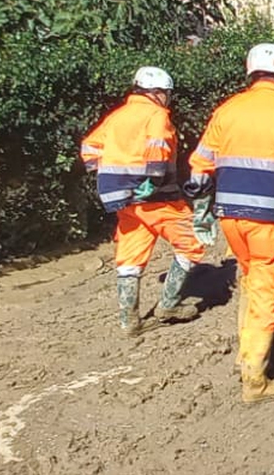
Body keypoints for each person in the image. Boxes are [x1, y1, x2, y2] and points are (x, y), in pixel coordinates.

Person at [186, 44, 274, 404]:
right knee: (268, 290)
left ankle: (245, 354)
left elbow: (200, 165)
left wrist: (202, 199)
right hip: (269, 218)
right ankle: (254, 379)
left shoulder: (227, 110)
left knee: (251, 279)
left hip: (230, 217)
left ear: (251, 74)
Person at [79, 66, 205, 336]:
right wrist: (153, 180)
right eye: (167, 94)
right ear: (158, 93)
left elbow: (89, 148)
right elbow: (158, 148)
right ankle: (168, 306)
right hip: (155, 198)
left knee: (130, 257)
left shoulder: (116, 117)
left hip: (122, 200)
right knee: (192, 243)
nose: (168, 99)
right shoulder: (157, 114)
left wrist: (110, 173)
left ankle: (129, 321)